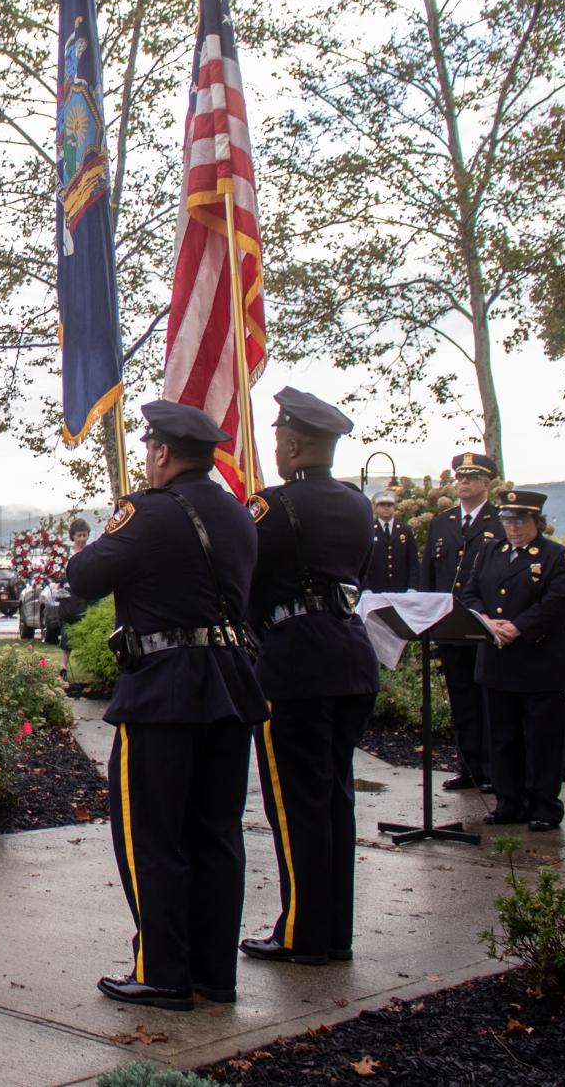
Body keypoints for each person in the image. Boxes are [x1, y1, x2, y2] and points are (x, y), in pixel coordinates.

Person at [67, 400, 266, 1011]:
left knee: (151, 834)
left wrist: (118, 521)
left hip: (164, 689)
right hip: (229, 687)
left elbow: (83, 577)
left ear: (160, 453)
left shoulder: (147, 513)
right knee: (216, 832)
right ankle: (213, 973)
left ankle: (161, 971)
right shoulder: (237, 514)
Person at [240, 388, 380, 966]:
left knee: (297, 805)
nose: (274, 446)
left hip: (294, 664)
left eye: (277, 438)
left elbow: (244, 583)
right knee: (334, 799)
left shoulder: (272, 508)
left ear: (294, 444)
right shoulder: (358, 504)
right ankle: (334, 931)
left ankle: (300, 932)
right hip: (350, 656)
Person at [459, 490, 565, 832]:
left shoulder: (557, 556)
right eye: (507, 521)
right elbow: (470, 591)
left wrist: (519, 627)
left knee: (542, 739)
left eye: (520, 521)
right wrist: (485, 620)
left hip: (539, 661)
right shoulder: (491, 551)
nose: (513, 528)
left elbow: (558, 603)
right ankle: (508, 802)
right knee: (502, 737)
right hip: (497, 659)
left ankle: (544, 806)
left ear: (537, 522)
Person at [419, 452, 502, 793]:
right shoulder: (443, 523)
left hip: (484, 626)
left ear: (487, 483)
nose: (463, 482)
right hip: (449, 625)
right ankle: (468, 766)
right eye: (460, 477)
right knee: (461, 701)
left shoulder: (498, 522)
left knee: (488, 701)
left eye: (471, 477)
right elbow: (429, 576)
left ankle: (491, 769)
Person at [49, 518, 92, 679]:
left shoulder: (90, 553)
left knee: (87, 632)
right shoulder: (65, 555)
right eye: (79, 535)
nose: (82, 539)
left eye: (85, 535)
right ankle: (63, 668)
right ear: (73, 536)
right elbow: (57, 576)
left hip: (86, 597)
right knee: (67, 633)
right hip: (69, 600)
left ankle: (89, 665)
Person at [364, 488, 415, 592]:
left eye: (389, 505)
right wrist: (366, 588)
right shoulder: (369, 530)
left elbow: (413, 561)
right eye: (382, 505)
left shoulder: (405, 530)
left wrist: (412, 587)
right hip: (375, 589)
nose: (386, 508)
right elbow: (364, 562)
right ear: (376, 508)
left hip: (401, 589)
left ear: (394, 507)